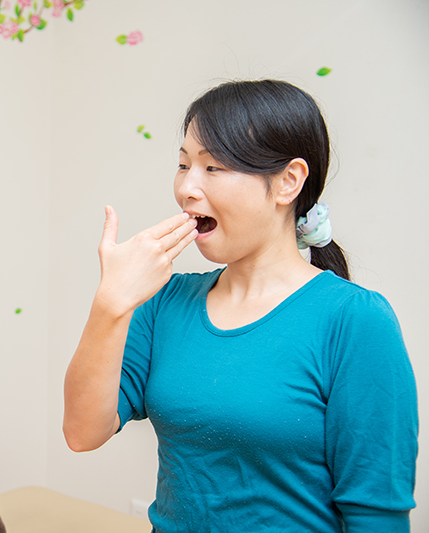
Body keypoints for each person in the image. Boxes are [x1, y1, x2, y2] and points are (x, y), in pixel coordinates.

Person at [63, 79, 417, 532]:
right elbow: (82, 432)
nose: (187, 188)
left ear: (288, 181)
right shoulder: (166, 301)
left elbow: (376, 516)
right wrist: (110, 302)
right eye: (183, 164)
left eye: (213, 168)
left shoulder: (355, 321)